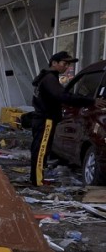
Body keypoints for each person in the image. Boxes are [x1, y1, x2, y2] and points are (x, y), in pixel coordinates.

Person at [30, 51, 106, 186]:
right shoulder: (50, 79)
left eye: (68, 65)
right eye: (65, 63)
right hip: (45, 120)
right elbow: (64, 96)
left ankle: (37, 178)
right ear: (54, 63)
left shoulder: (47, 78)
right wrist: (91, 101)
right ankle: (37, 181)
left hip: (42, 118)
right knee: (41, 150)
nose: (67, 67)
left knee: (41, 149)